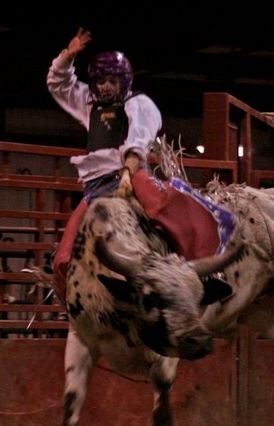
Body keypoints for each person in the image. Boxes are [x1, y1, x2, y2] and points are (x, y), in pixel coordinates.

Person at [48, 28, 235, 301]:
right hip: (94, 189)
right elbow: (58, 85)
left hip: (130, 174)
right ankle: (78, 305)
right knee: (63, 256)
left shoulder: (139, 103)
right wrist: (67, 56)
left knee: (164, 207)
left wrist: (128, 172)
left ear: (123, 81)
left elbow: (137, 141)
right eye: (99, 81)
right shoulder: (89, 104)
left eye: (110, 81)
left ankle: (201, 274)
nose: (104, 87)